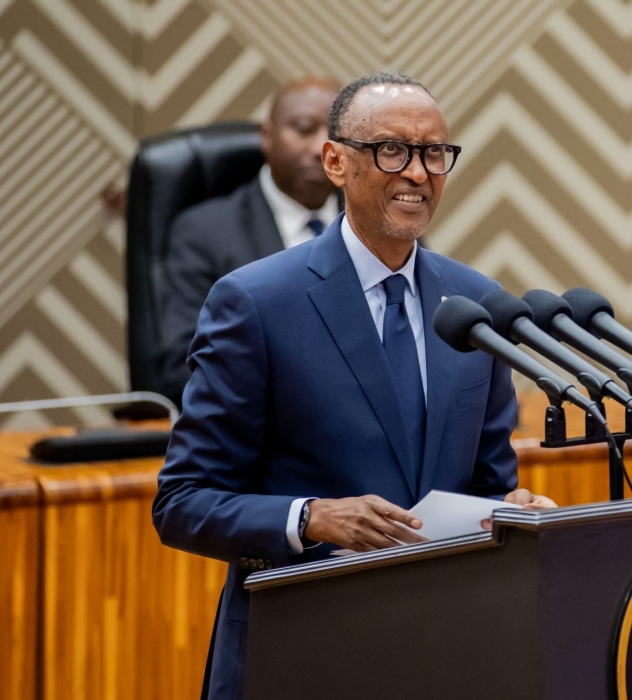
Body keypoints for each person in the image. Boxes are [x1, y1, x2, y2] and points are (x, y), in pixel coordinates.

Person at [152, 72, 556, 700]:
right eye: (392, 149)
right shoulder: (256, 303)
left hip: (443, 650)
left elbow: (483, 488)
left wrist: (511, 517)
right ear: (336, 162)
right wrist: (311, 517)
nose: (418, 173)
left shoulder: (475, 304)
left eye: (434, 153)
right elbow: (182, 503)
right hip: (301, 645)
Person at [158, 76, 342, 406]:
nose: (320, 148)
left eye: (336, 135)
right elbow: (186, 364)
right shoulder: (205, 232)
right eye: (303, 129)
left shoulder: (379, 225)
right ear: (267, 136)